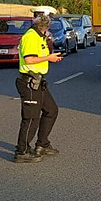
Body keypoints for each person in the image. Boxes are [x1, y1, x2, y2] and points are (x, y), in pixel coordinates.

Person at [13, 14, 63, 163]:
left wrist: (50, 55)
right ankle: (22, 151)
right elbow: (29, 59)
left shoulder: (39, 37)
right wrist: (49, 58)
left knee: (51, 110)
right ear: (44, 27)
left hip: (38, 81)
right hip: (29, 81)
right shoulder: (30, 37)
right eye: (48, 27)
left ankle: (42, 145)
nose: (48, 30)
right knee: (31, 118)